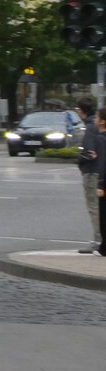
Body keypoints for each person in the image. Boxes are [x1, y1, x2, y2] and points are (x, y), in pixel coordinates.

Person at [77, 99, 102, 253]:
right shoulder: (98, 125)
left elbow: (90, 153)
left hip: (92, 172)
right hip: (100, 171)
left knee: (94, 207)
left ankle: (98, 241)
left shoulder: (90, 127)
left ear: (81, 111)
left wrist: (79, 160)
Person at [94, 108, 106, 257]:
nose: (95, 120)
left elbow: (103, 161)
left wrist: (101, 184)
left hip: (105, 181)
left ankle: (104, 248)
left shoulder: (101, 138)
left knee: (103, 216)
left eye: (97, 118)